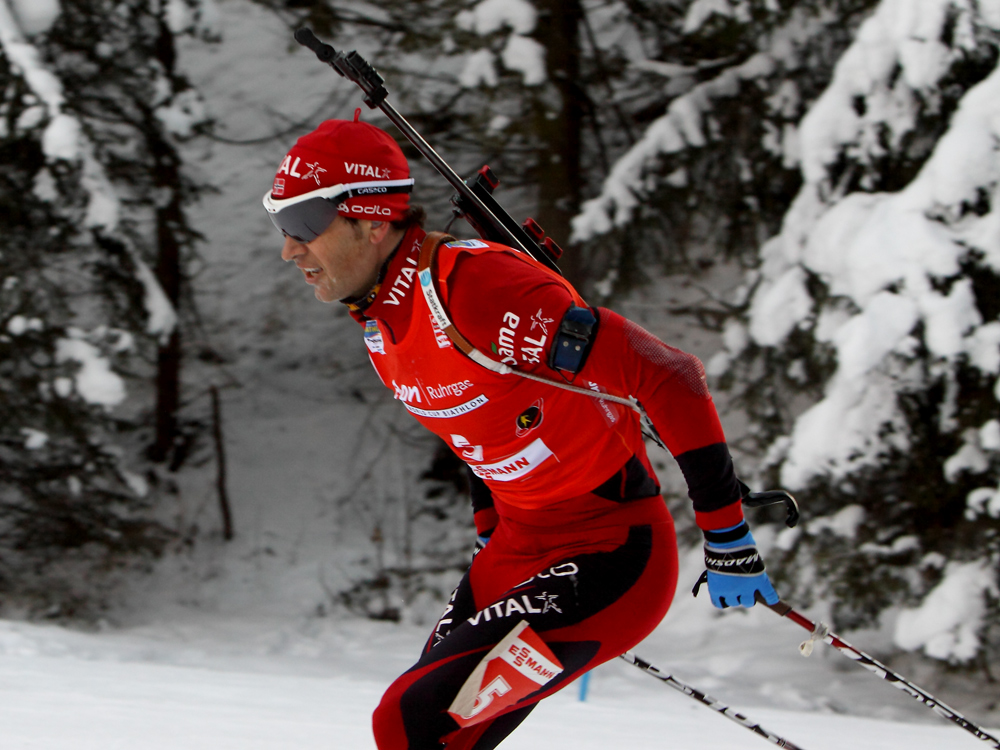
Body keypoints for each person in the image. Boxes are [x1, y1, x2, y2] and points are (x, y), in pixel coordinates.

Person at [263, 113, 779, 750]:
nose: (289, 249)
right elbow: (478, 423)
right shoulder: (377, 314)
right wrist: (490, 533)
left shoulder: (478, 289)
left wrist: (725, 534)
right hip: (516, 549)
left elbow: (669, 374)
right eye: (281, 226)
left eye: (303, 227)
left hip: (609, 552)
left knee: (410, 721)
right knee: (435, 733)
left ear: (371, 220)